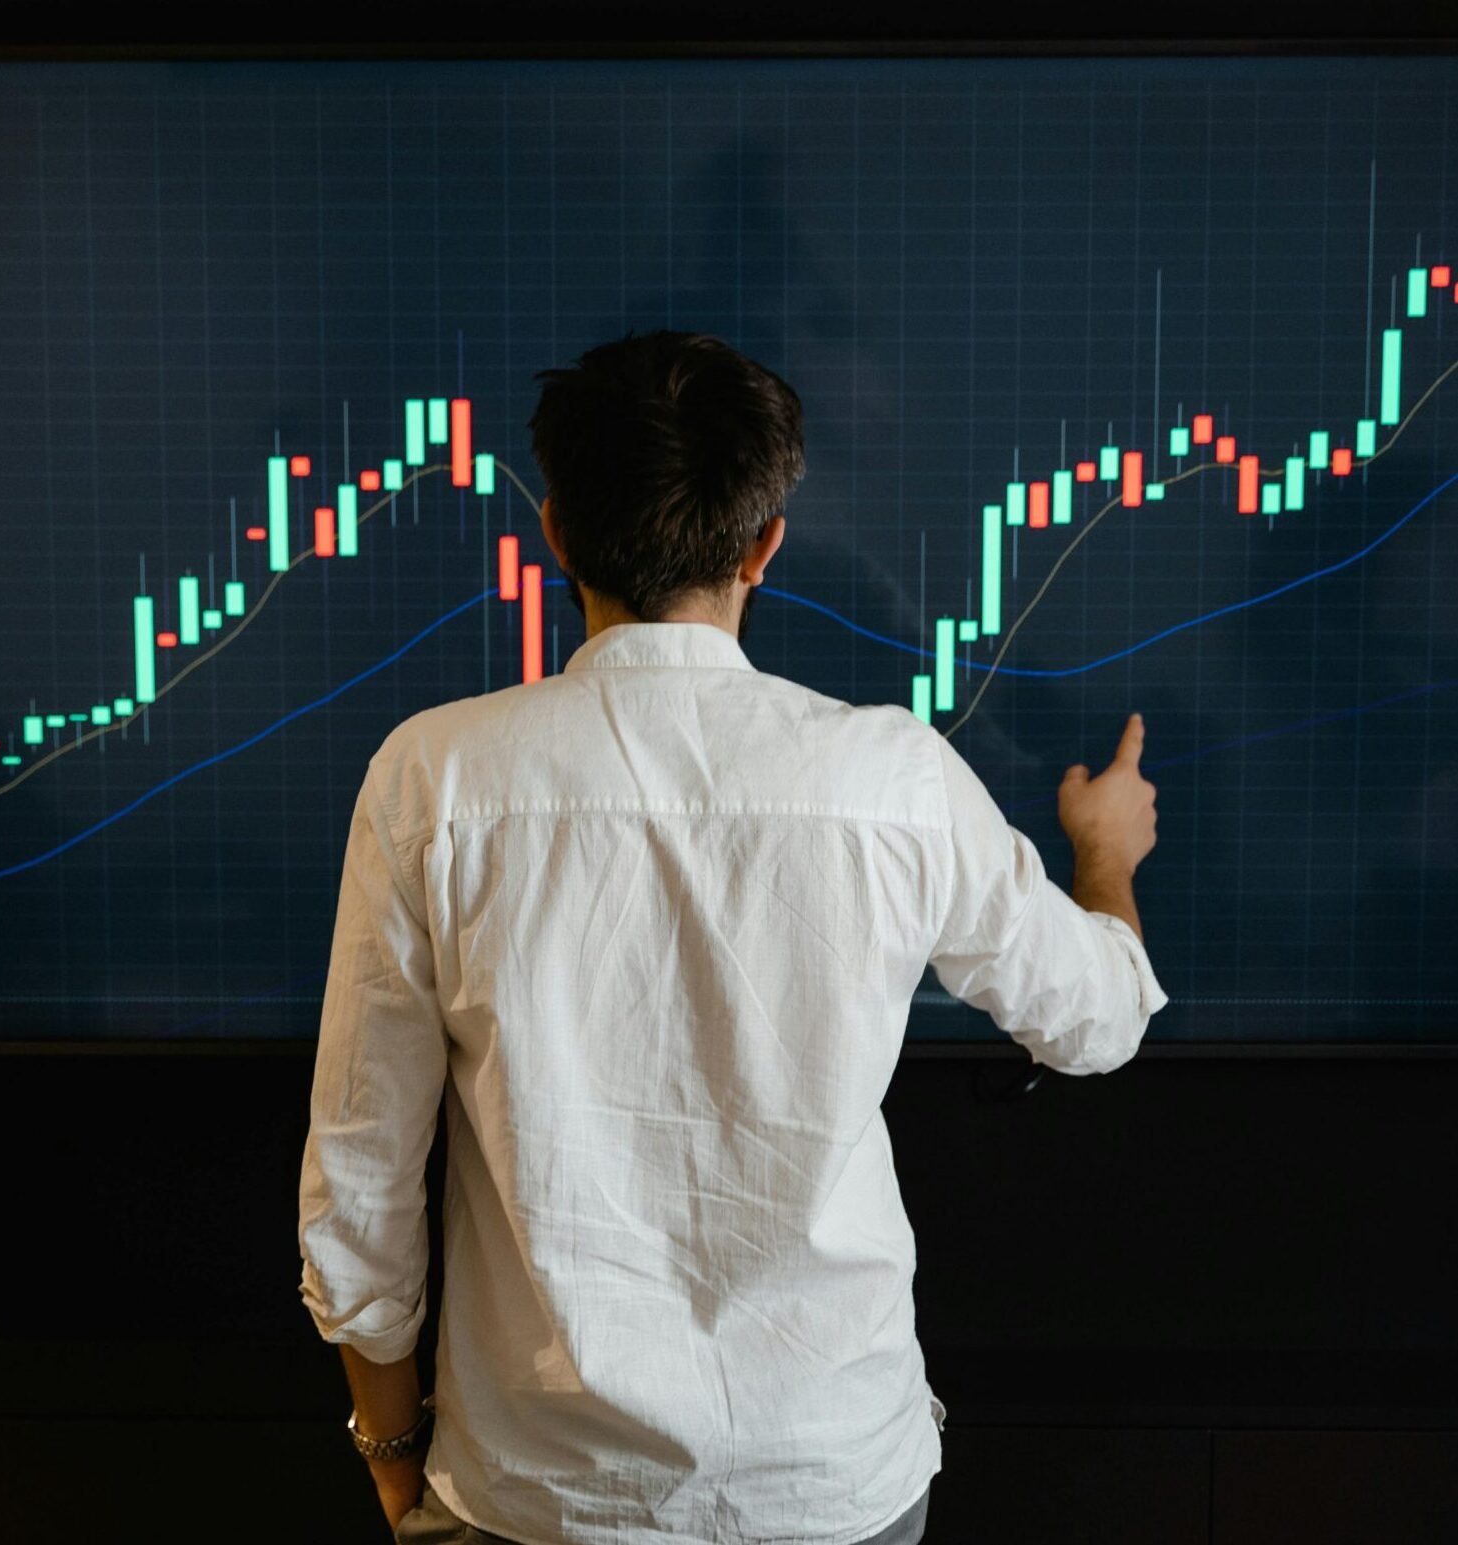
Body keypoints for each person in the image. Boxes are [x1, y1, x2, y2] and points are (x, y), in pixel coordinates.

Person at [297, 331, 1166, 1545]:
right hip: (833, 1485)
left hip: (533, 1497)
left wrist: (394, 1461)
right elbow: (1100, 1023)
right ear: (765, 544)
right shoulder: (895, 779)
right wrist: (1105, 860)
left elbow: (363, 1190)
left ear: (554, 531)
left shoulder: (430, 781)